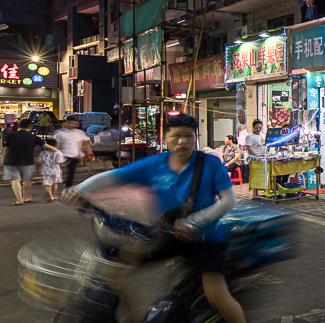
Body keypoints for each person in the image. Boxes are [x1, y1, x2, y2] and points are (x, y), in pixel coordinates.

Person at [62, 113, 246, 323]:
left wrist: (192, 222)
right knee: (113, 273)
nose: (183, 141)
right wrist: (79, 190)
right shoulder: (154, 164)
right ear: (165, 138)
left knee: (216, 294)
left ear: (195, 138)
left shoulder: (210, 164)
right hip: (167, 234)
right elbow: (112, 177)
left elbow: (228, 200)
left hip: (204, 237)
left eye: (189, 136)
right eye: (176, 136)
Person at [3, 119, 60, 205]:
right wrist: (58, 151)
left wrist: (3, 159)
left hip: (12, 161)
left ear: (18, 126)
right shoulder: (33, 137)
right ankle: (26, 197)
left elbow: (6, 149)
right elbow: (46, 146)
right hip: (28, 161)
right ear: (30, 127)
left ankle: (19, 200)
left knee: (15, 180)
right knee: (27, 180)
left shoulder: (11, 136)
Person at [54, 115, 92, 187]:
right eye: (70, 123)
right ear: (66, 123)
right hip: (63, 156)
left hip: (74, 156)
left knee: (71, 172)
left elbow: (86, 141)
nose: (71, 125)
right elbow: (54, 144)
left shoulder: (79, 133)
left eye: (73, 123)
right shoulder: (60, 133)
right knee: (60, 173)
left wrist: (89, 150)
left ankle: (68, 187)